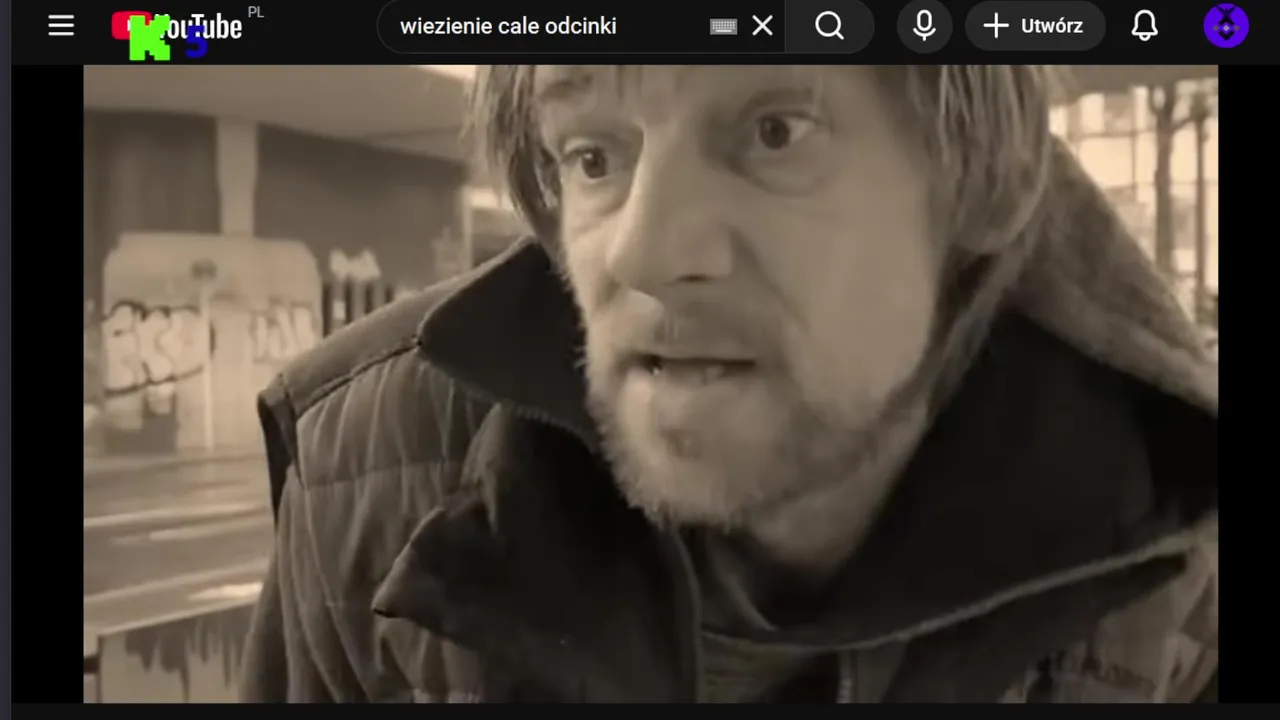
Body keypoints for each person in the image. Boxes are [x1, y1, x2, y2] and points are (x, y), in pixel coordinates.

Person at [240, 65, 1218, 703]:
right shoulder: (366, 479)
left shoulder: (1182, 549)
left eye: (775, 132)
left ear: (986, 181)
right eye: (592, 156)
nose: (643, 253)